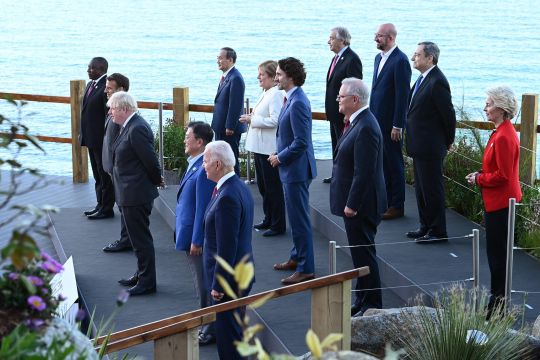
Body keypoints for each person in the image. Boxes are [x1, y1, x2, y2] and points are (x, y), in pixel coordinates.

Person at [330, 78, 386, 316]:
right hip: (356, 202)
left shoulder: (366, 127)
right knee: (359, 253)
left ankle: (372, 303)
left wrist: (352, 204)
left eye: (341, 97)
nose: (337, 100)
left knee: (364, 253)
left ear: (355, 99)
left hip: (362, 205)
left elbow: (364, 172)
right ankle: (362, 297)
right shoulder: (357, 122)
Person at [466, 86, 521, 317]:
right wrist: (480, 174)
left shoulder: (505, 136)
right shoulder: (499, 132)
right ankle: (496, 303)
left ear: (501, 108)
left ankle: (497, 307)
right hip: (496, 202)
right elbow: (496, 168)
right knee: (496, 256)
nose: (485, 108)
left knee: (498, 258)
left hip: (501, 204)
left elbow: (504, 175)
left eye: (489, 104)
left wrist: (479, 178)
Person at [202, 140, 254, 360]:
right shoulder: (237, 187)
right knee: (233, 335)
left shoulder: (227, 197)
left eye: (205, 160)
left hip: (230, 281)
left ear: (217, 164)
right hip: (240, 274)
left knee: (229, 341)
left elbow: (227, 245)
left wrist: (219, 283)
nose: (203, 165)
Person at [108, 91, 163, 296]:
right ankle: (141, 273)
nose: (110, 112)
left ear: (124, 108)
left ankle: (147, 282)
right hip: (128, 191)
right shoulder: (127, 125)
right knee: (136, 239)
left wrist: (157, 180)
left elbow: (150, 161)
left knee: (141, 240)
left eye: (112, 108)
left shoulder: (137, 128)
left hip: (136, 193)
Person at [269, 57, 317, 285]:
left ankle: (306, 268)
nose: (276, 78)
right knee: (296, 217)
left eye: (278, 74)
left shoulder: (298, 102)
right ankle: (297, 257)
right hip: (292, 169)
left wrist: (280, 157)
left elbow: (301, 142)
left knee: (299, 220)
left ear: (290, 76)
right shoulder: (291, 98)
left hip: (296, 170)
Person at [406, 42, 456, 243]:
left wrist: (448, 140)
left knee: (432, 189)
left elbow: (448, 115)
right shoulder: (422, 79)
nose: (413, 58)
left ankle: (437, 231)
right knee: (421, 188)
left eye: (417, 55)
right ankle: (425, 225)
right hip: (419, 144)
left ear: (430, 58)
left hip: (431, 145)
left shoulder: (437, 81)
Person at [174, 121, 216, 345]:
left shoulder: (202, 170)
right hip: (188, 233)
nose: (184, 140)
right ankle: (206, 322)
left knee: (204, 284)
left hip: (196, 239)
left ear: (199, 142)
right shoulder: (194, 164)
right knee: (200, 282)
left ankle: (210, 327)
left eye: (188, 137)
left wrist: (197, 240)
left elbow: (203, 210)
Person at [239, 60, 286, 237]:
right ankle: (268, 218)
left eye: (262, 74)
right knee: (264, 187)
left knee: (272, 187)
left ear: (273, 77)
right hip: (260, 147)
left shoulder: (275, 94)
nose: (258, 77)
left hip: (268, 148)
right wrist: (253, 116)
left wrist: (253, 120)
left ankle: (277, 223)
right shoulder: (267, 92)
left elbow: (276, 120)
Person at [370, 23, 411, 220]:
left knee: (394, 164)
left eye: (379, 36)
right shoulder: (379, 58)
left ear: (391, 38)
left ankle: (397, 205)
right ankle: (385, 201)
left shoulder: (401, 60)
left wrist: (398, 124)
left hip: (391, 124)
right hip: (377, 120)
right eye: (376, 35)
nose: (375, 39)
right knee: (383, 163)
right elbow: (376, 90)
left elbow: (403, 95)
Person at [323, 26, 363, 184]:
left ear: (343, 40)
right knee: (336, 144)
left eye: (332, 38)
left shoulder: (352, 59)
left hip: (344, 113)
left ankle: (345, 177)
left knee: (345, 147)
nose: (329, 41)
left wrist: (349, 113)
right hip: (334, 112)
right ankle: (337, 175)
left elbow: (355, 89)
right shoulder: (336, 58)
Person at [101, 73, 133, 252]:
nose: (105, 90)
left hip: (119, 169)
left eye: (109, 88)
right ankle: (126, 238)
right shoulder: (113, 109)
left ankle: (126, 239)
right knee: (121, 205)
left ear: (121, 89)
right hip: (112, 168)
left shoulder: (125, 114)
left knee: (124, 206)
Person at [81, 57, 115, 220]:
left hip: (101, 141)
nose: (88, 70)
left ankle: (107, 208)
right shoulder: (90, 85)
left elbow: (107, 116)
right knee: (96, 174)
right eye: (89, 67)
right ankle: (99, 204)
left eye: (92, 68)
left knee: (104, 174)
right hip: (90, 138)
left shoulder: (104, 88)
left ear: (101, 69)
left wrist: (106, 139)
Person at [211, 47, 246, 175]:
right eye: (217, 58)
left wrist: (230, 126)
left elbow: (235, 105)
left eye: (220, 58)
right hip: (221, 127)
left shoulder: (235, 78)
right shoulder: (227, 76)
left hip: (229, 129)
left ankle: (234, 188)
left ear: (230, 60)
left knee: (230, 160)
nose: (218, 61)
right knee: (223, 159)